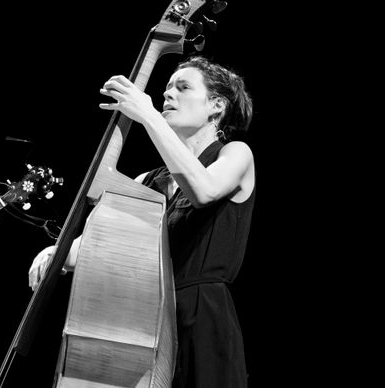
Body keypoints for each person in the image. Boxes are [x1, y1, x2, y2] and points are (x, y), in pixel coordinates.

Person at [28, 55, 255, 388]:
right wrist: (56, 254)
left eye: (183, 87)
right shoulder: (147, 179)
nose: (167, 95)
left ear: (216, 105)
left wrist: (148, 116)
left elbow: (203, 191)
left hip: (202, 320)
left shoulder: (235, 154)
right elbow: (103, 243)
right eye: (166, 89)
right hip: (143, 320)